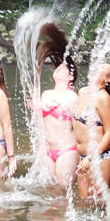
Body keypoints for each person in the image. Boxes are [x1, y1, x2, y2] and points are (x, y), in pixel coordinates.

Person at [36, 24, 80, 188]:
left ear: (70, 77)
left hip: (66, 150)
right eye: (58, 68)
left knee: (62, 192)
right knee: (50, 193)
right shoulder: (46, 94)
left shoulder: (72, 98)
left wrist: (84, 157)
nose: (59, 69)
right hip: (47, 151)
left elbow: (77, 128)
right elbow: (40, 124)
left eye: (64, 69)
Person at [75, 64, 110, 199]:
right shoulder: (82, 92)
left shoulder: (103, 98)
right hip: (82, 157)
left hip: (100, 157)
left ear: (108, 79)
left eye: (101, 67)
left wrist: (90, 158)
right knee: (83, 203)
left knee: (97, 205)